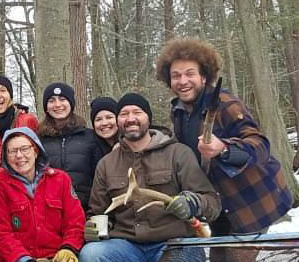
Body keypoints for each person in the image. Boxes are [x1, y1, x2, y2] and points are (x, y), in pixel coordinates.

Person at [156, 38, 293, 261]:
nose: (183, 81)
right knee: (218, 257)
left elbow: (260, 145)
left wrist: (224, 149)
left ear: (203, 76)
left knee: (237, 257)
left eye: (189, 74)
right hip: (220, 207)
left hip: (252, 203)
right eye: (176, 75)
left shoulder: (224, 103)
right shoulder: (178, 112)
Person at [79, 93, 221, 262]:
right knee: (91, 254)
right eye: (124, 114)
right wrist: (95, 227)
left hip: (174, 243)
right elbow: (97, 212)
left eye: (137, 112)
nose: (131, 118)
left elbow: (212, 203)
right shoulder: (106, 164)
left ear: (148, 117)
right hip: (126, 245)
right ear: (118, 122)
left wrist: (192, 203)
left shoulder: (178, 153)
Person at [0, 127, 84, 262]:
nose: (19, 156)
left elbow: (75, 221)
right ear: (5, 156)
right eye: (12, 151)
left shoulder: (60, 179)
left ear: (36, 151)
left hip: (57, 256)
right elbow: (0, 233)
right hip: (18, 258)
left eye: (25, 149)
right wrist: (23, 259)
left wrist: (69, 248)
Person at [37, 82, 103, 210]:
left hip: (84, 209)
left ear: (71, 104)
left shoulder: (90, 137)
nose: (57, 105)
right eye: (51, 100)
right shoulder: (39, 140)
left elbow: (100, 177)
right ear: (46, 107)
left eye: (63, 99)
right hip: (49, 210)